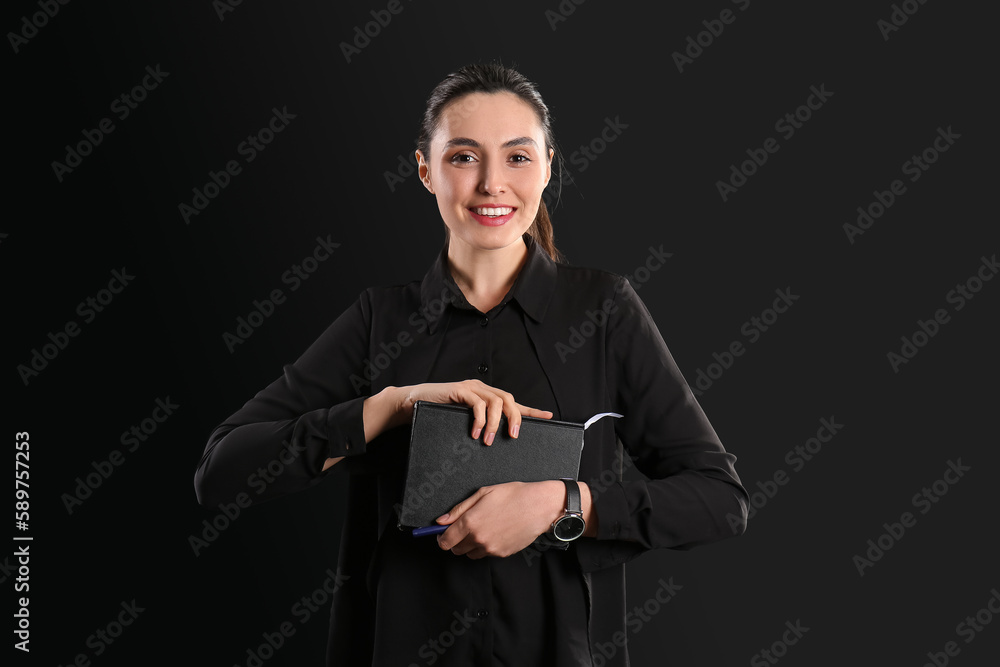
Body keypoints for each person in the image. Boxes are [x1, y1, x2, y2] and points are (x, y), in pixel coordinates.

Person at [194, 61, 748, 666]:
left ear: (548, 167)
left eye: (517, 157)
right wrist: (386, 408)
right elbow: (221, 472)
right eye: (463, 157)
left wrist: (564, 506)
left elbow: (719, 499)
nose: (491, 184)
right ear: (426, 170)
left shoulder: (605, 309)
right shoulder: (378, 319)